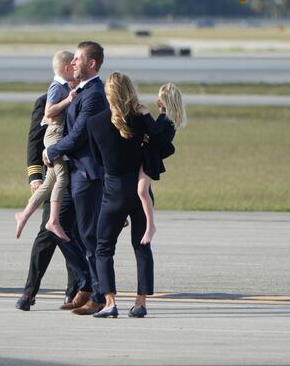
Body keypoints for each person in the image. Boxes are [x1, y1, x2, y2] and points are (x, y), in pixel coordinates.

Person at [43, 41, 108, 315]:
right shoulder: (79, 91)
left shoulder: (93, 93)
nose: (73, 64)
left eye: (78, 59)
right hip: (73, 172)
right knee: (57, 226)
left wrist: (52, 150)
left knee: (88, 235)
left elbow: (79, 133)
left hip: (86, 172)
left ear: (91, 64)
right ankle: (84, 283)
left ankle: (98, 295)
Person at [87, 72, 155, 318]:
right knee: (142, 247)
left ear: (108, 94)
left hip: (113, 191)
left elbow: (97, 161)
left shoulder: (94, 123)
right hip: (140, 190)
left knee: (103, 248)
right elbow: (159, 145)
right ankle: (140, 303)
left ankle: (110, 301)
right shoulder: (141, 120)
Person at [14, 91, 85, 311]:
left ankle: (73, 292)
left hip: (78, 176)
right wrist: (35, 176)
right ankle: (29, 291)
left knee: (77, 235)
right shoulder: (46, 101)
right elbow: (35, 141)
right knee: (47, 234)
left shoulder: (85, 97)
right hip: (54, 176)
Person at [15, 51, 77, 242]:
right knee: (61, 178)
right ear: (67, 68)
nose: (76, 68)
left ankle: (25, 214)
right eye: (74, 65)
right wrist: (34, 176)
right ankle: (52, 220)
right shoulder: (55, 90)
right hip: (54, 141)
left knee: (52, 180)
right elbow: (35, 140)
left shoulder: (69, 90)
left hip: (60, 147)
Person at [137, 83, 186, 245]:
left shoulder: (167, 120)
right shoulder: (165, 118)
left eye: (161, 100)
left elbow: (154, 130)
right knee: (139, 190)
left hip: (150, 160)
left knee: (142, 190)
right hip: (147, 156)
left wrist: (145, 113)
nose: (157, 102)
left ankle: (150, 225)